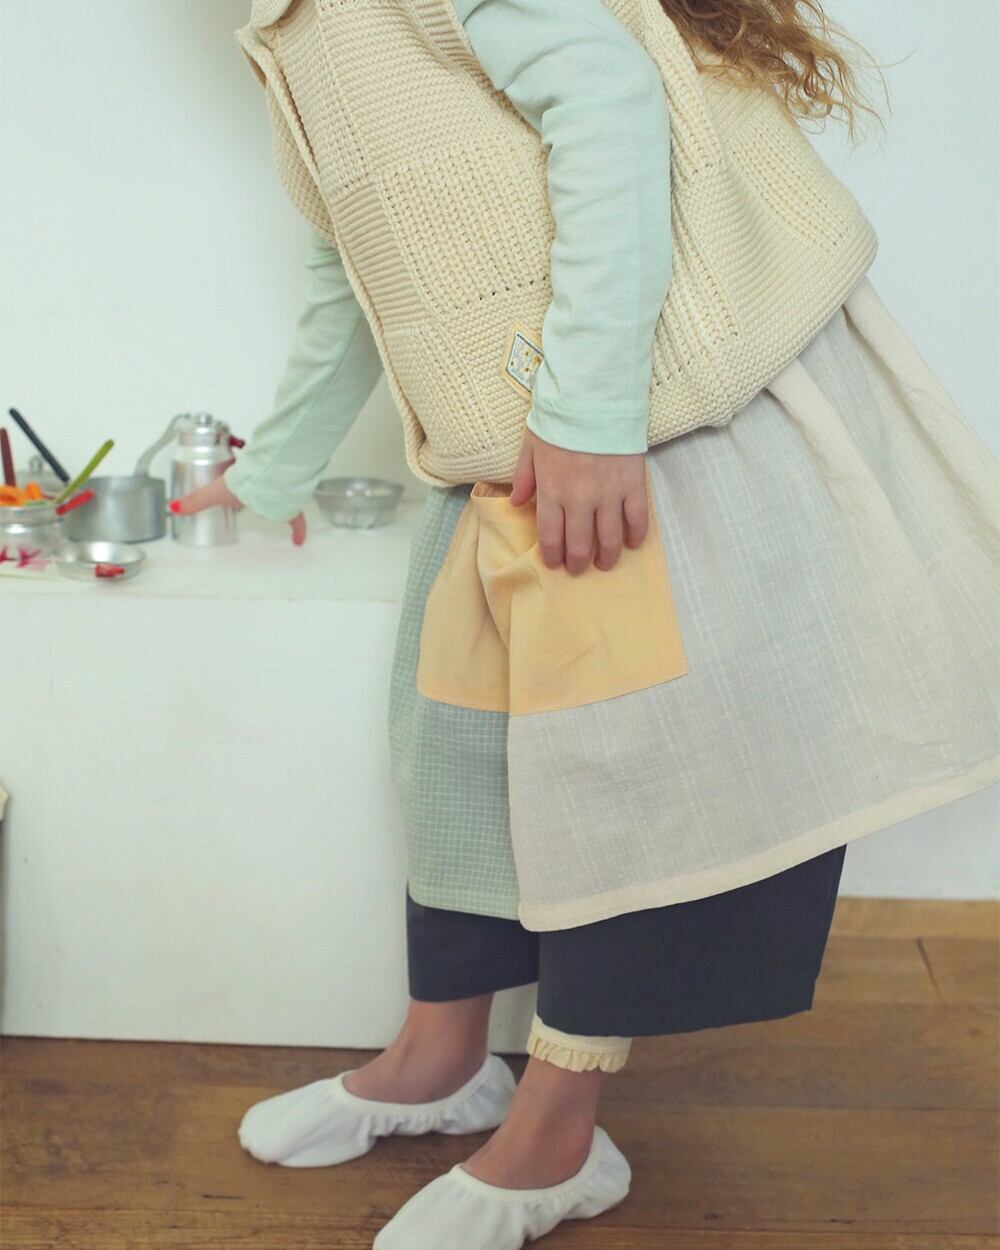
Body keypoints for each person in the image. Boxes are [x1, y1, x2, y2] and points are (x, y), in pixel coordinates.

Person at [172, 1, 1000, 1245]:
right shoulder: (291, 30)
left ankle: (560, 1133)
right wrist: (272, 474)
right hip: (512, 448)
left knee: (618, 771)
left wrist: (589, 416)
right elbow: (359, 270)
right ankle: (442, 1056)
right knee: (451, 753)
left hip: (624, 428)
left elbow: (611, 102)